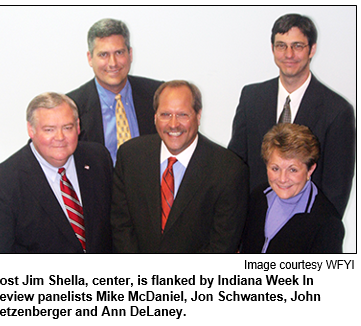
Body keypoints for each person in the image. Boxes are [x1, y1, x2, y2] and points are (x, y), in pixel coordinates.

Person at [228, 13, 355, 217]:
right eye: (281, 46)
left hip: (305, 230)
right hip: (252, 224)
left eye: (297, 46)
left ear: (312, 49)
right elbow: (235, 167)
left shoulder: (337, 111)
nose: (289, 54)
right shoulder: (251, 97)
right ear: (272, 49)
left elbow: (336, 191)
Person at [111, 80, 249, 253]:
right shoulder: (130, 156)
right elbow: (121, 225)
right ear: (155, 117)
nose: (173, 124)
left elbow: (222, 244)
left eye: (183, 114)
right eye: (165, 114)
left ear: (198, 116)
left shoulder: (229, 170)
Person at [0, 93, 114, 253]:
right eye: (49, 130)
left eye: (67, 127)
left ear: (78, 126)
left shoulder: (97, 158)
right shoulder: (1, 182)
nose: (60, 137)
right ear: (31, 130)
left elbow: (114, 225)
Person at [67, 18, 163, 164]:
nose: (113, 63)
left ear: (130, 54)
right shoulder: (72, 106)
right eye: (103, 55)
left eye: (119, 52)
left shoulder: (158, 94)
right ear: (90, 58)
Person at [241, 123, 344, 253]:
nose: (283, 179)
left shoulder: (327, 223)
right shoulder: (258, 197)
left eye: (293, 170)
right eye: (275, 168)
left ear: (310, 170)